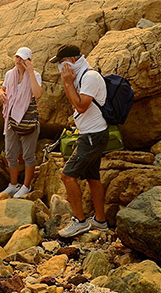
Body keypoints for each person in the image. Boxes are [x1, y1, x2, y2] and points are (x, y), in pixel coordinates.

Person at [50, 44, 109, 237]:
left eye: (62, 63)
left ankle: (80, 221)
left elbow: (81, 106)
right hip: (90, 134)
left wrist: (67, 83)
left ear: (73, 61)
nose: (61, 67)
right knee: (93, 177)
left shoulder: (90, 77)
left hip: (93, 136)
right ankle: (100, 220)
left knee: (67, 176)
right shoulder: (81, 76)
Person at [0, 47, 43, 198]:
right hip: (11, 119)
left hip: (28, 119)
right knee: (10, 153)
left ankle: (26, 186)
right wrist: (0, 93)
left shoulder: (35, 75)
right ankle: (13, 184)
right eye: (17, 57)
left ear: (29, 61)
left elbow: (38, 94)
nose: (18, 60)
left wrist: (30, 73)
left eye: (22, 58)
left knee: (29, 155)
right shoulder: (10, 74)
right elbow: (3, 89)